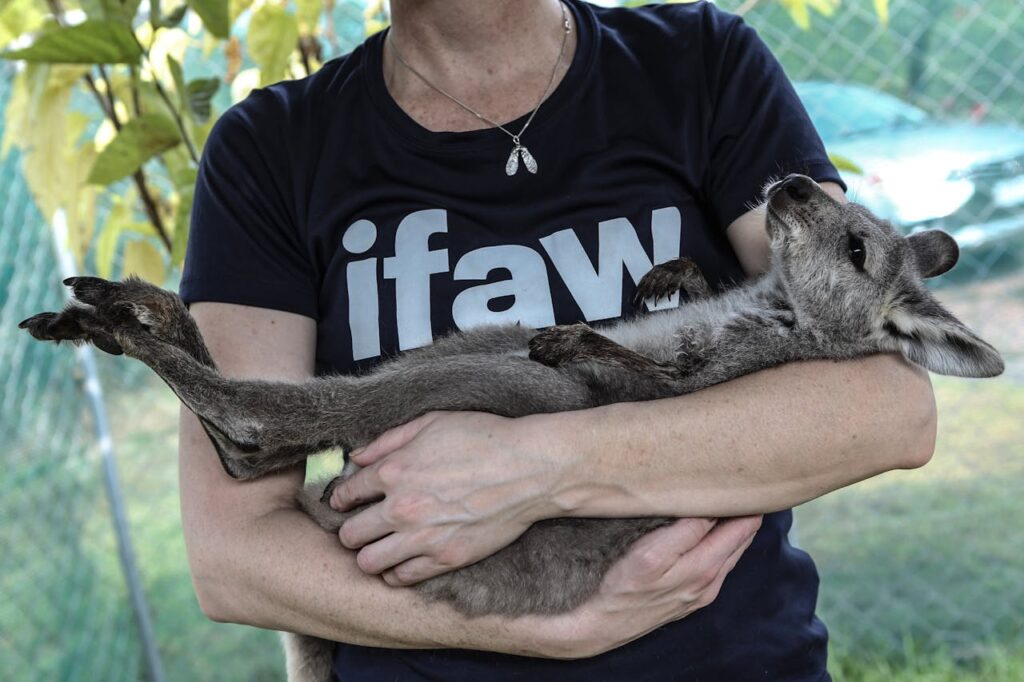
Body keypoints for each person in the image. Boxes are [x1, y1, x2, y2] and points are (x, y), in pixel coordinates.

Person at [178, 1, 937, 680]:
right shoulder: (269, 150)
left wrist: (542, 467)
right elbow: (234, 558)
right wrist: (552, 630)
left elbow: (885, 406)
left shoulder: (697, 63)